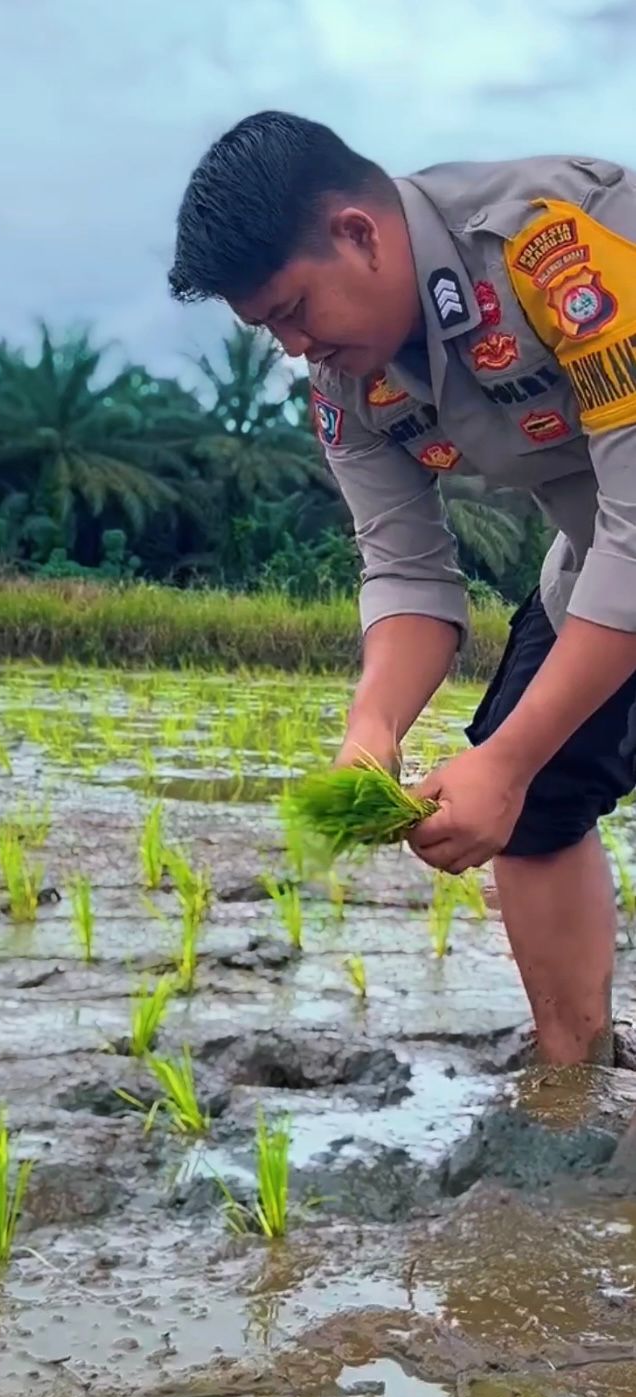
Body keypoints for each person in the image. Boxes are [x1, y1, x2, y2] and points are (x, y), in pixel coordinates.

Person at [168, 110, 636, 1068]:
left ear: (358, 233)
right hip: (601, 554)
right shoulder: (345, 382)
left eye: (295, 310)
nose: (295, 347)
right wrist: (369, 734)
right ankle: (574, 1076)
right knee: (540, 795)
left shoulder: (560, 249)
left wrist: (502, 764)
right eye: (269, 331)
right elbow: (406, 569)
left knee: (519, 767)